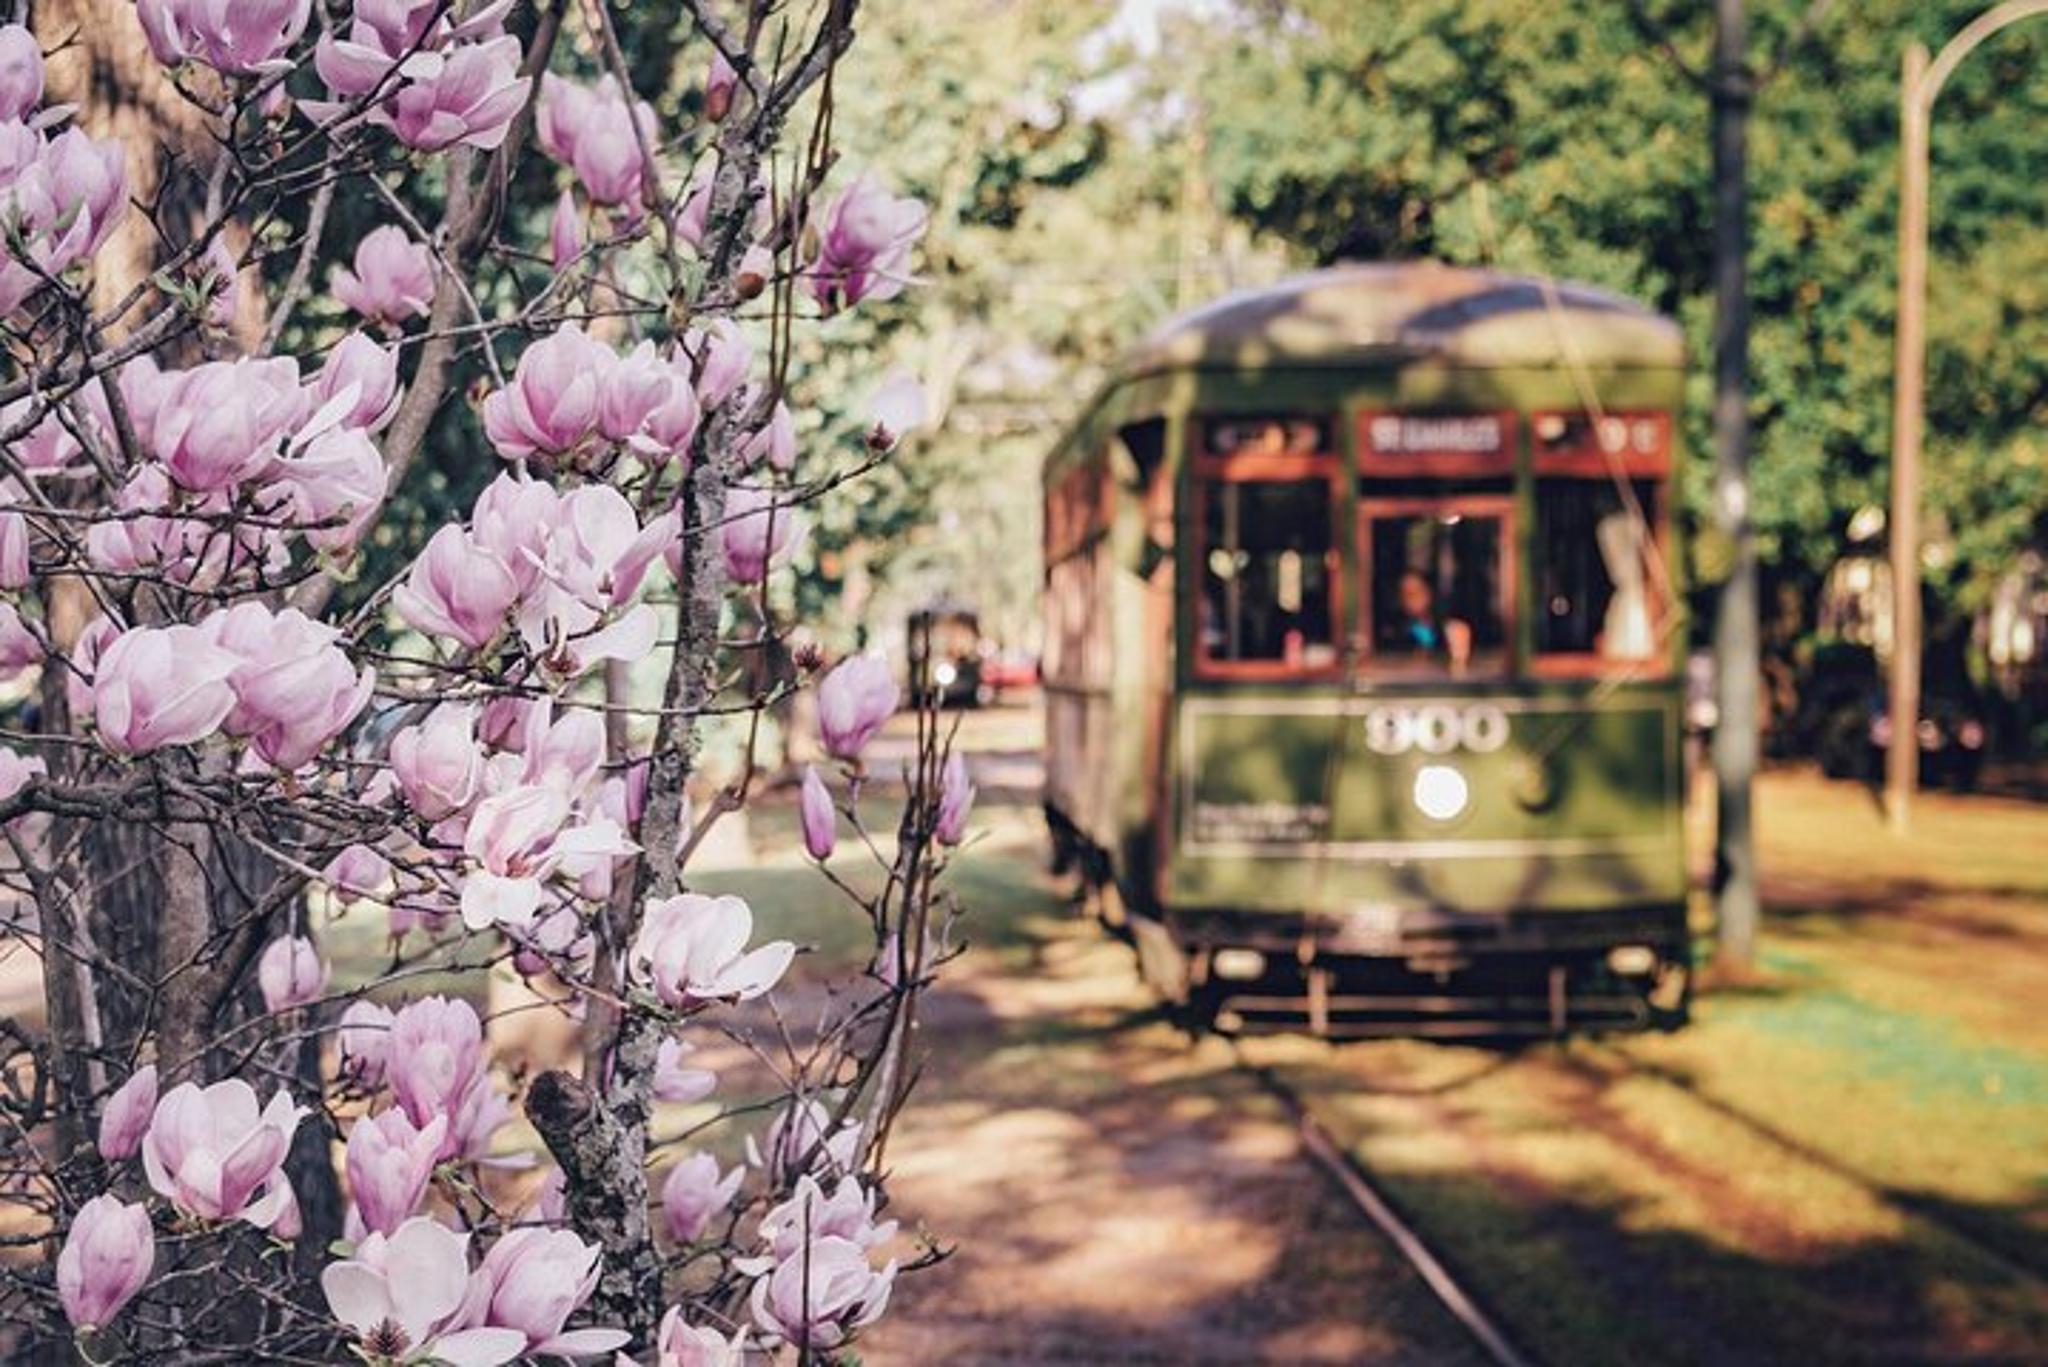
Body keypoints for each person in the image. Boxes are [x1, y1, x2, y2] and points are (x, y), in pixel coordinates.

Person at [1390, 569, 1472, 672]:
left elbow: (1459, 666)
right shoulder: (1393, 633)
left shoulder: (1450, 628)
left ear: (1428, 593)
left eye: (1417, 592)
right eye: (1406, 594)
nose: (1412, 599)